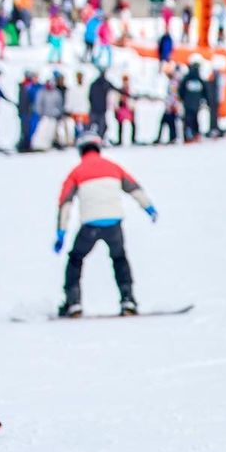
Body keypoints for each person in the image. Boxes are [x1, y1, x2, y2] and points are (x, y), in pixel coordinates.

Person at [54, 130, 158, 317]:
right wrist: (149, 208)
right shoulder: (113, 167)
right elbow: (135, 189)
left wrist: (61, 233)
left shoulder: (76, 172)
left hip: (90, 225)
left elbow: (65, 205)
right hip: (114, 223)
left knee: (75, 259)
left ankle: (73, 302)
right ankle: (128, 300)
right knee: (119, 259)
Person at [178, 58, 207, 141]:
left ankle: (187, 136)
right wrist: (204, 100)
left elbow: (181, 90)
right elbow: (205, 91)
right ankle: (195, 134)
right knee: (195, 119)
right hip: (196, 103)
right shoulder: (199, 79)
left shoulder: (187, 78)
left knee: (188, 119)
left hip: (188, 102)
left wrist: (183, 98)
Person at [64, 69, 89, 135]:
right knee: (76, 127)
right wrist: (68, 109)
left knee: (85, 127)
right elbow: (69, 99)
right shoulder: (72, 89)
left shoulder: (86, 88)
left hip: (84, 111)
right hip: (75, 111)